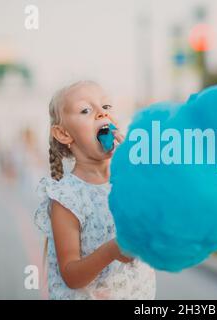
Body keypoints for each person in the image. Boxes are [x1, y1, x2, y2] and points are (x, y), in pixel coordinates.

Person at [34, 80, 156, 299]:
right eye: (86, 110)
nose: (101, 113)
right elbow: (71, 276)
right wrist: (112, 251)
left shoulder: (129, 181)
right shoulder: (67, 198)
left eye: (106, 107)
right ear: (63, 134)